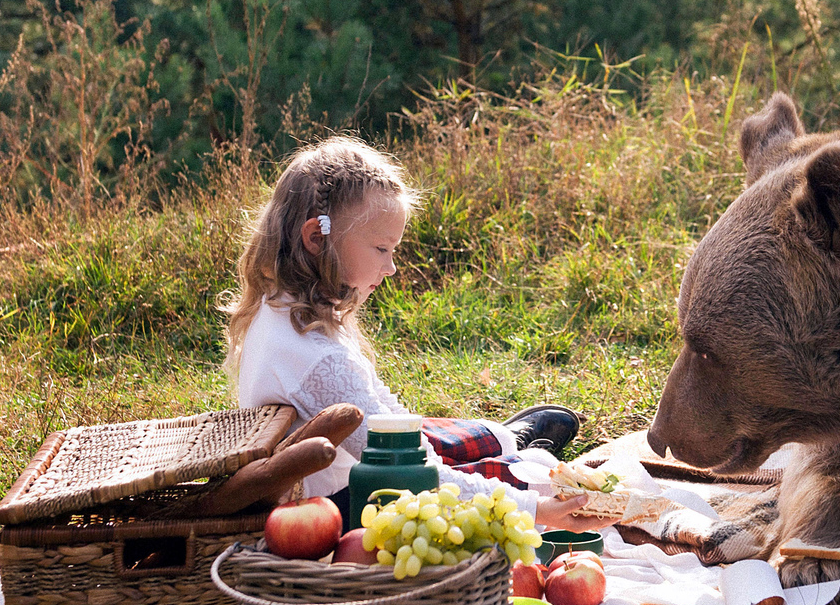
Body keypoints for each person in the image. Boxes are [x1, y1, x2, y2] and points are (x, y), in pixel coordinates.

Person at [222, 137, 615, 530]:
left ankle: (498, 441)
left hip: (350, 482)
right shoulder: (315, 357)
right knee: (524, 477)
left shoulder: (282, 309)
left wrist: (423, 449)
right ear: (316, 237)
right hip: (342, 513)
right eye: (381, 249)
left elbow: (384, 409)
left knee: (434, 439)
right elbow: (406, 475)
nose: (391, 267)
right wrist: (533, 512)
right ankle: (509, 452)